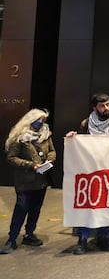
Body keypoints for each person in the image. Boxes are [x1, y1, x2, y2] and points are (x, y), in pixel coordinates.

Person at [66, 93, 109, 255]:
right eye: (102, 106)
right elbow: (81, 146)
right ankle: (82, 240)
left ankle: (106, 239)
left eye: (108, 104)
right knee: (88, 205)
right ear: (94, 107)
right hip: (91, 173)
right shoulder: (87, 123)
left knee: (108, 206)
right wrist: (73, 140)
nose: (106, 108)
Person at [1, 109, 56, 255]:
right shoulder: (20, 136)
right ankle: (12, 239)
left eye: (43, 119)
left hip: (41, 180)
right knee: (21, 207)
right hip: (25, 180)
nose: (41, 122)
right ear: (31, 119)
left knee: (35, 208)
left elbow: (52, 150)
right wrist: (30, 165)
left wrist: (50, 159)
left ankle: (29, 234)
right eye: (39, 119)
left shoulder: (46, 134)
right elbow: (11, 157)